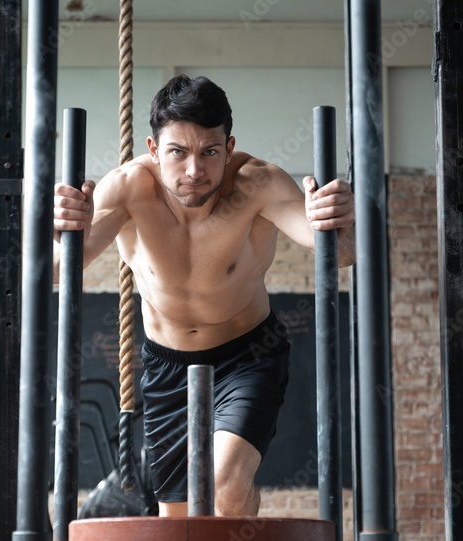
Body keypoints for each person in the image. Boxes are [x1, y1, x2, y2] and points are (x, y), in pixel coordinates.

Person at [53, 74, 354, 518]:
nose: (194, 171)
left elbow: (341, 252)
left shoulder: (259, 184)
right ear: (155, 150)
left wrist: (341, 215)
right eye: (177, 152)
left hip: (248, 355)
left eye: (209, 152)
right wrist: (57, 224)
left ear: (228, 148)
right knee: (181, 523)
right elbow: (58, 267)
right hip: (167, 364)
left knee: (223, 490)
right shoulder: (129, 188)